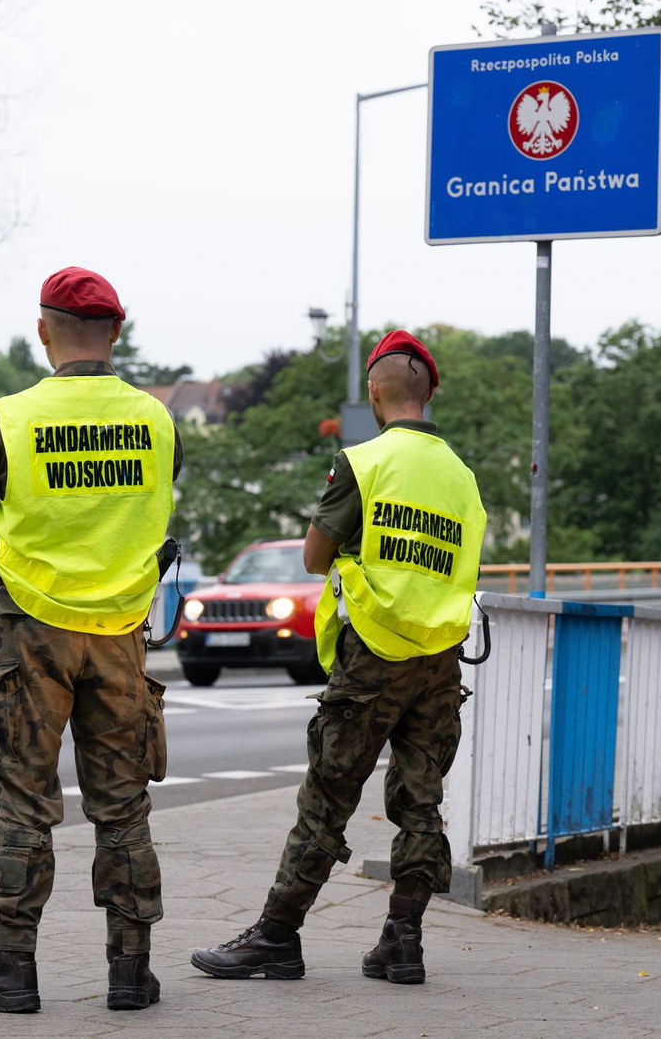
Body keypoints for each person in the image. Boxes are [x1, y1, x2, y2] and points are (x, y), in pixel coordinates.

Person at [190, 329, 486, 986]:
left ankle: (276, 937)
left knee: (328, 794)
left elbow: (314, 557)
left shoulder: (364, 463)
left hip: (374, 652)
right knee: (421, 800)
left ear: (376, 392)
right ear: (430, 391)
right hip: (440, 655)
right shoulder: (462, 478)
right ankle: (401, 942)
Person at [0, 266, 181, 1014]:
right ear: (117, 333)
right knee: (123, 803)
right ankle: (130, 972)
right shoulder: (157, 420)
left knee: (23, 795)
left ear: (42, 331)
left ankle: (12, 967)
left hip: (33, 634)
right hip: (120, 634)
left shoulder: (11, 417)